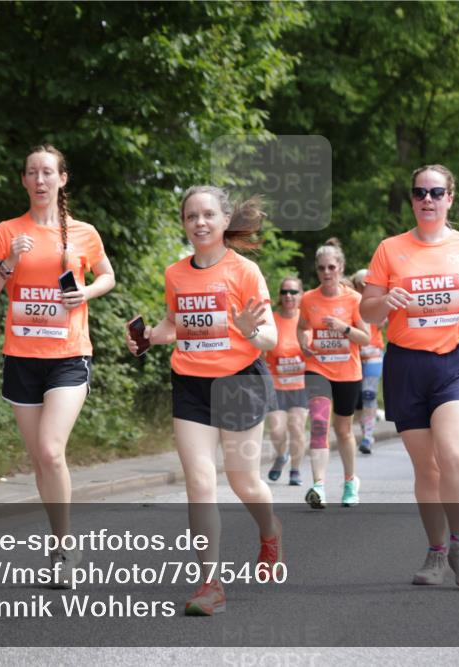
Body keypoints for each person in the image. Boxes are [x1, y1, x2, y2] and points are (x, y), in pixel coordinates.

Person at [126, 186, 282, 616]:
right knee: (199, 482)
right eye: (191, 216)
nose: (200, 223)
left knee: (243, 481)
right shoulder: (175, 274)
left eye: (208, 215)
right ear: (184, 223)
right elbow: (177, 323)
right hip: (190, 383)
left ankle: (269, 531)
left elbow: (270, 337)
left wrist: (250, 330)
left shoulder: (245, 271)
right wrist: (151, 337)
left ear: (224, 221)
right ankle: (209, 583)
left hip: (239, 383)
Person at [0, 144, 116, 581]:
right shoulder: (7, 231)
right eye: (32, 173)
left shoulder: (83, 233)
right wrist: (10, 263)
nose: (40, 180)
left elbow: (107, 276)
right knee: (40, 457)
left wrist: (86, 292)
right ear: (24, 180)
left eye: (48, 173)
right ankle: (60, 544)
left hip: (68, 355)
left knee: (52, 450)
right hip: (22, 357)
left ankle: (64, 550)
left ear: (62, 179)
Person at [361, 164, 459, 587]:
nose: (427, 200)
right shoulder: (390, 249)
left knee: (453, 452)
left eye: (436, 193)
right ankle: (436, 552)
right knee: (427, 468)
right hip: (406, 364)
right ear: (412, 199)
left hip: (456, 360)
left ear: (450, 198)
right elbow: (366, 310)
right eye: (420, 193)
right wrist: (387, 301)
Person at [299, 239, 368, 508]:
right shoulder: (308, 299)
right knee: (318, 424)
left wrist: (344, 328)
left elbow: (365, 338)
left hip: (347, 372)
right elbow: (303, 326)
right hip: (317, 369)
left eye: (331, 267)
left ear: (341, 268)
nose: (326, 273)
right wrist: (304, 339)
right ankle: (318, 486)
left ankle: (350, 481)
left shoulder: (354, 299)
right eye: (321, 268)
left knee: (343, 430)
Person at [264, 276, 308, 484]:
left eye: (293, 292)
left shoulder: (307, 319)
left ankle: (295, 471)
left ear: (301, 295)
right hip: (276, 385)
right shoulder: (271, 320)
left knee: (297, 428)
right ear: (280, 296)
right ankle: (281, 456)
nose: (288, 296)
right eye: (284, 292)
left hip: (301, 386)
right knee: (277, 429)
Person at [351, 268, 386, 455]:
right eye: (361, 284)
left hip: (373, 354)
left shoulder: (375, 301)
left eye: (367, 284)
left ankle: (368, 436)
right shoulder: (350, 302)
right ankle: (366, 432)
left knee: (369, 394)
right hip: (354, 356)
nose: (364, 287)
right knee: (357, 401)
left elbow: (383, 320)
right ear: (355, 285)